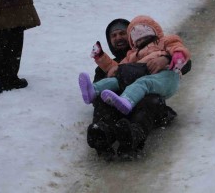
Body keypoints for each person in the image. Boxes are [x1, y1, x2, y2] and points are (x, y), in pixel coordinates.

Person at [80, 16, 191, 159]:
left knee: (148, 100)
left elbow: (185, 63)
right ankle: (102, 133)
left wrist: (166, 59)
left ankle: (132, 136)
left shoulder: (158, 47)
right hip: (117, 105)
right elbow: (99, 96)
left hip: (145, 103)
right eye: (113, 36)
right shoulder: (118, 62)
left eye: (122, 33)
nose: (118, 38)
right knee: (103, 101)